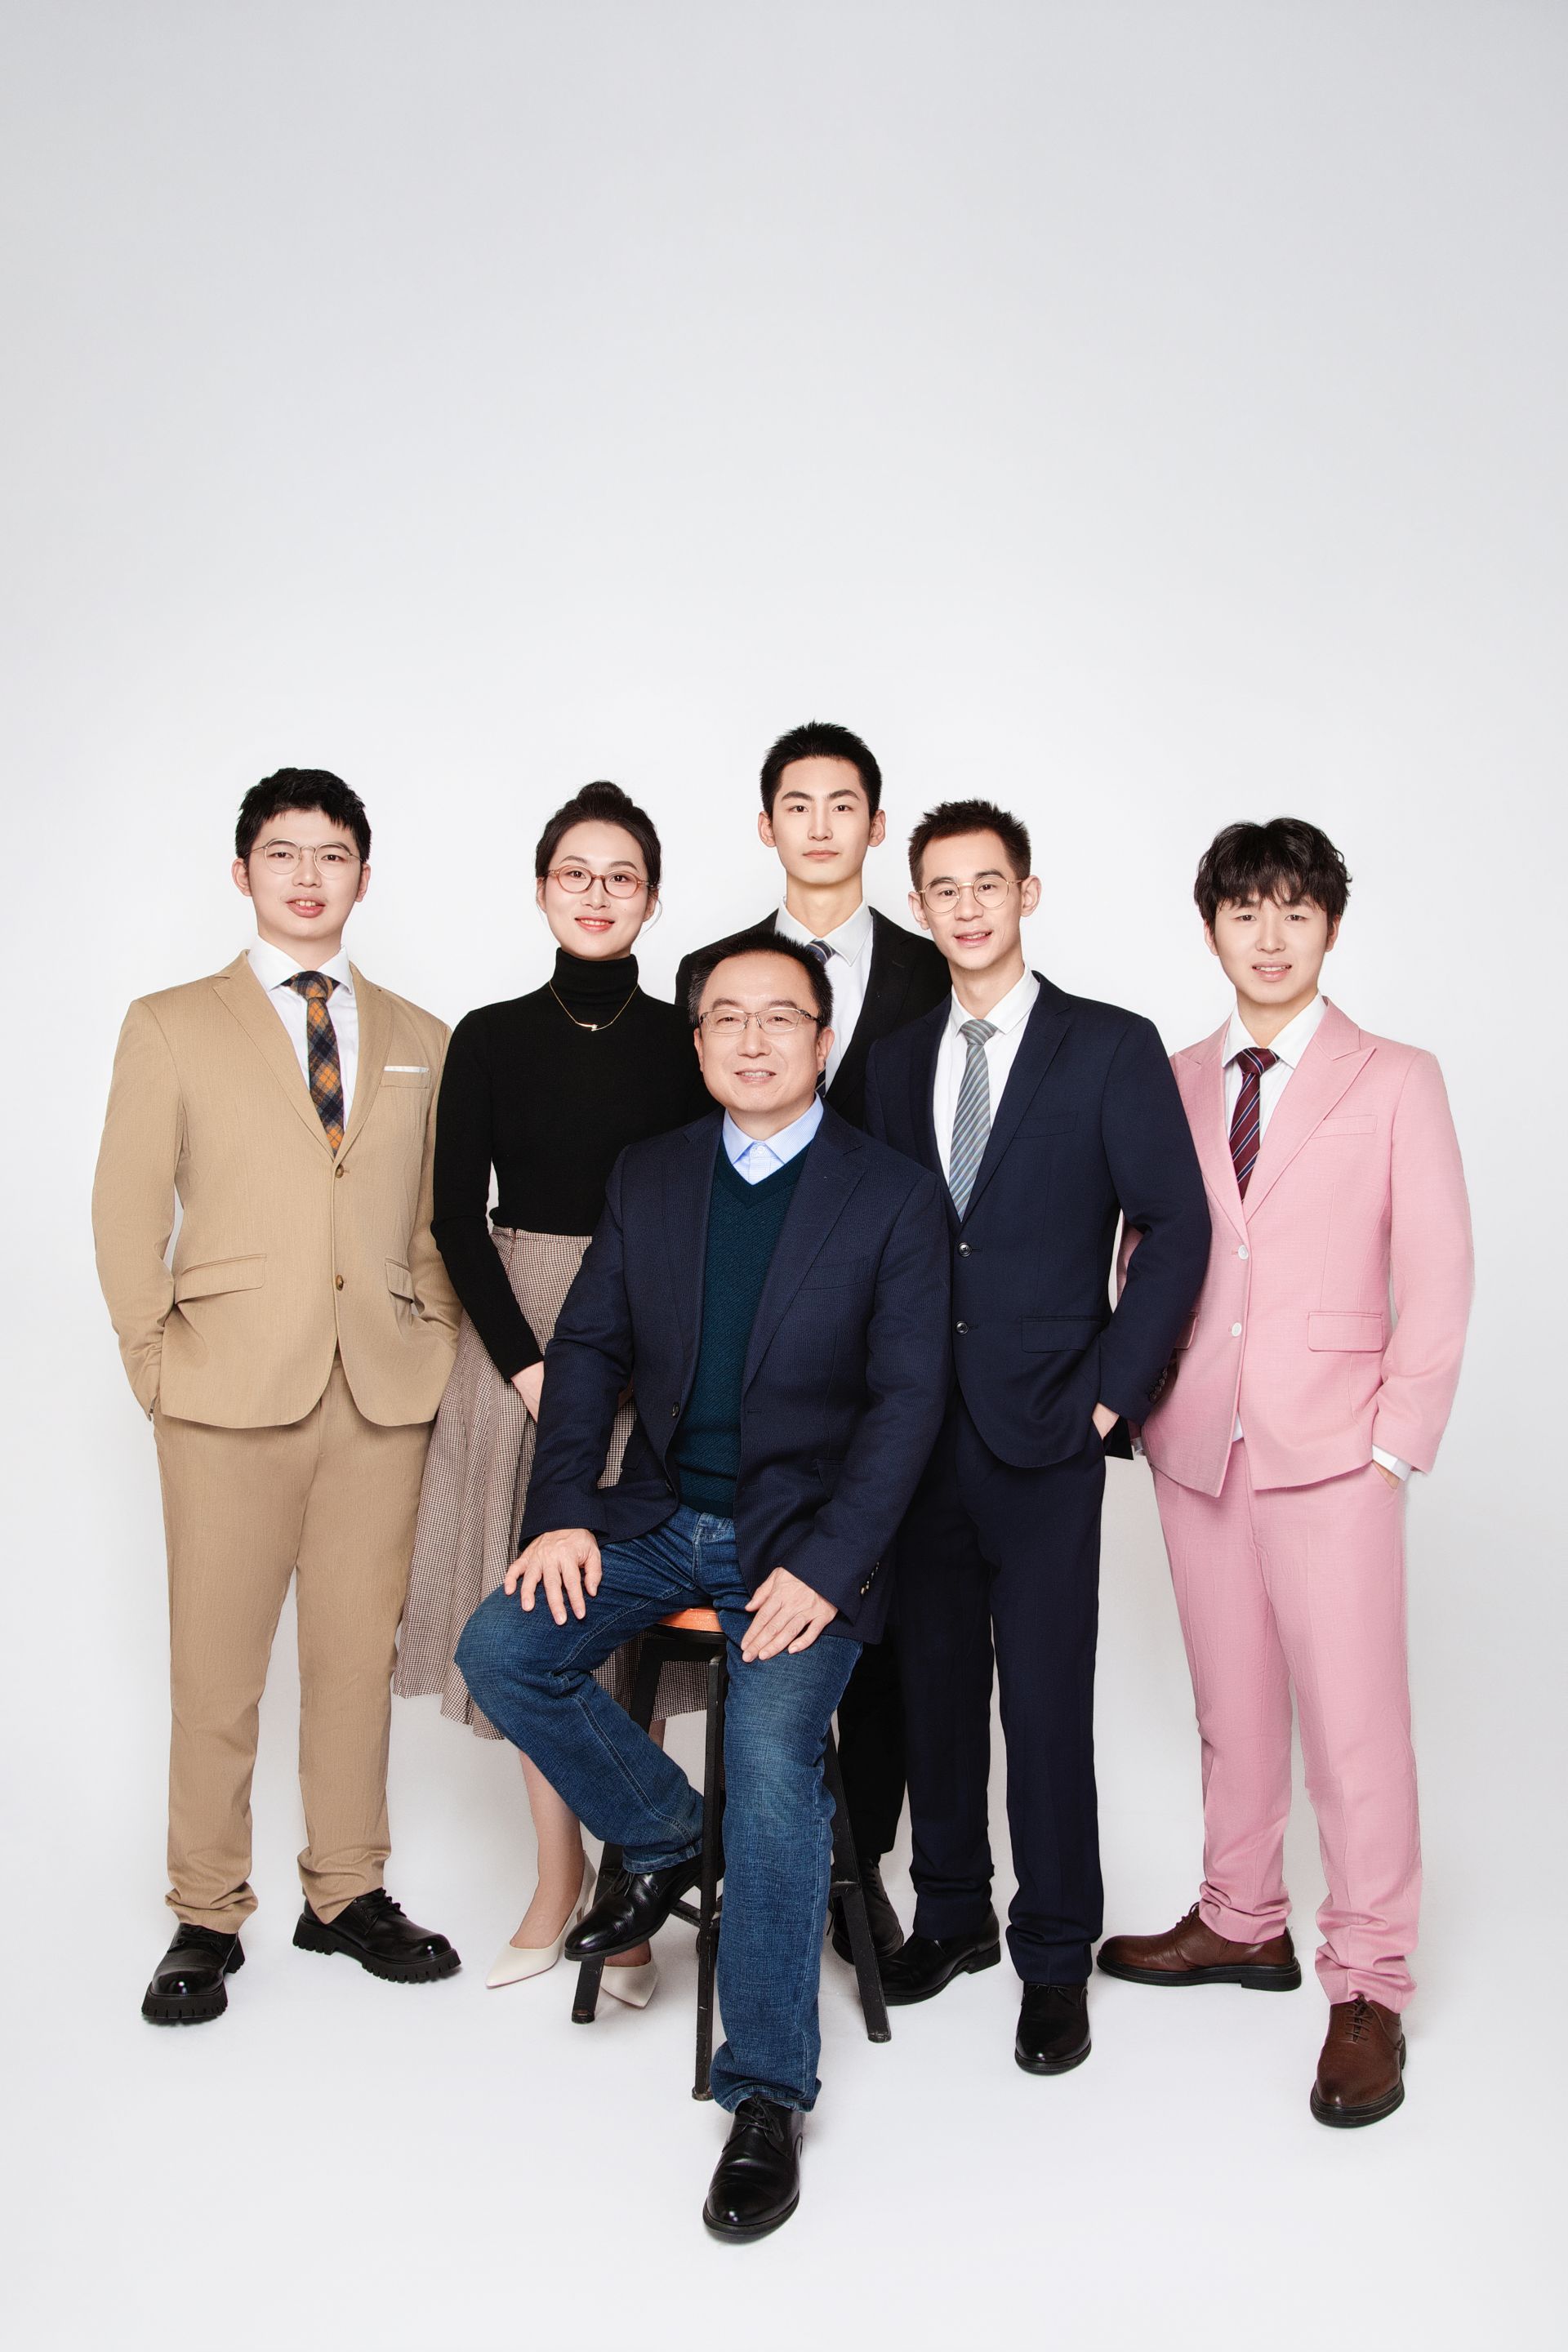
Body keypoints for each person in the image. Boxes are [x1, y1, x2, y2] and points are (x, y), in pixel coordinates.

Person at [454, 939, 949, 2240]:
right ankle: (674, 1833)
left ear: (823, 1040)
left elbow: (908, 1404)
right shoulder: (654, 1174)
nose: (752, 1039)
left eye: (780, 1017)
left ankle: (766, 2094)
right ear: (697, 1043)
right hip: (664, 1518)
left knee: (775, 1763)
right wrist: (563, 1511)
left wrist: (830, 1566)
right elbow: (589, 1346)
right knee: (503, 1647)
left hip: (803, 1546)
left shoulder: (893, 1196)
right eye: (725, 1017)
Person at [1097, 819, 1472, 2128]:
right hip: (1201, 1442)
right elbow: (1146, 1248)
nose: (1269, 936)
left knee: (1356, 1729)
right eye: (1245, 912)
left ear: (1330, 927)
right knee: (1232, 1705)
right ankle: (1241, 1914)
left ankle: (1367, 1982)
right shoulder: (1173, 1078)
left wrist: (1394, 1445)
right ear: (1211, 928)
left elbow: (1438, 1271)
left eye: (1294, 912)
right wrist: (1147, 1401)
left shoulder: (1397, 1078)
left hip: (1336, 1450)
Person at [93, 768, 463, 2026]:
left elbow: (433, 1223)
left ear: (365, 875)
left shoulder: (422, 1037)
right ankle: (206, 1911)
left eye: (333, 854)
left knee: (356, 1661)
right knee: (217, 1672)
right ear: (242, 871)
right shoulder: (169, 1024)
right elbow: (125, 1214)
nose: (309, 876)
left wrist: (431, 1344)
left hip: (380, 1396)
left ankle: (345, 1892)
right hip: (222, 1394)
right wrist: (157, 1370)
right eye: (284, 853)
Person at [864, 799, 1210, 2075]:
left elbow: (1177, 1227)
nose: (967, 908)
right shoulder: (890, 1062)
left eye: (987, 884)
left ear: (1028, 893)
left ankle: (1056, 1953)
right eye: (943, 889)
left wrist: (1113, 1393)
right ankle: (952, 1911)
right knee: (937, 1687)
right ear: (919, 907)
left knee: (1050, 1703)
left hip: (1051, 1430)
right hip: (917, 1437)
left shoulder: (1108, 1046)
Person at [395, 780, 710, 2002]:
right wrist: (532, 1366)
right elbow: (451, 1218)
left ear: (651, 900)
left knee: (618, 1624)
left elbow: (707, 1201)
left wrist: (641, 1359)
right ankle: (553, 1873)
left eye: (621, 877)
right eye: (575, 874)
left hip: (649, 1335)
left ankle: (631, 1890)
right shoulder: (489, 1035)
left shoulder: (687, 1038)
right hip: (514, 1337)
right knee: (533, 1612)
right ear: (541, 891)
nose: (597, 894)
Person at [675, 720, 948, 1962]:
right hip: (756, 1355)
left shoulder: (934, 968)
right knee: (756, 1623)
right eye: (799, 803)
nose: (823, 825)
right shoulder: (720, 974)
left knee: (872, 1609)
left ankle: (858, 1863)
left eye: (846, 805)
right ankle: (736, 1858)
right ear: (767, 824)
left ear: (877, 827)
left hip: (892, 1322)